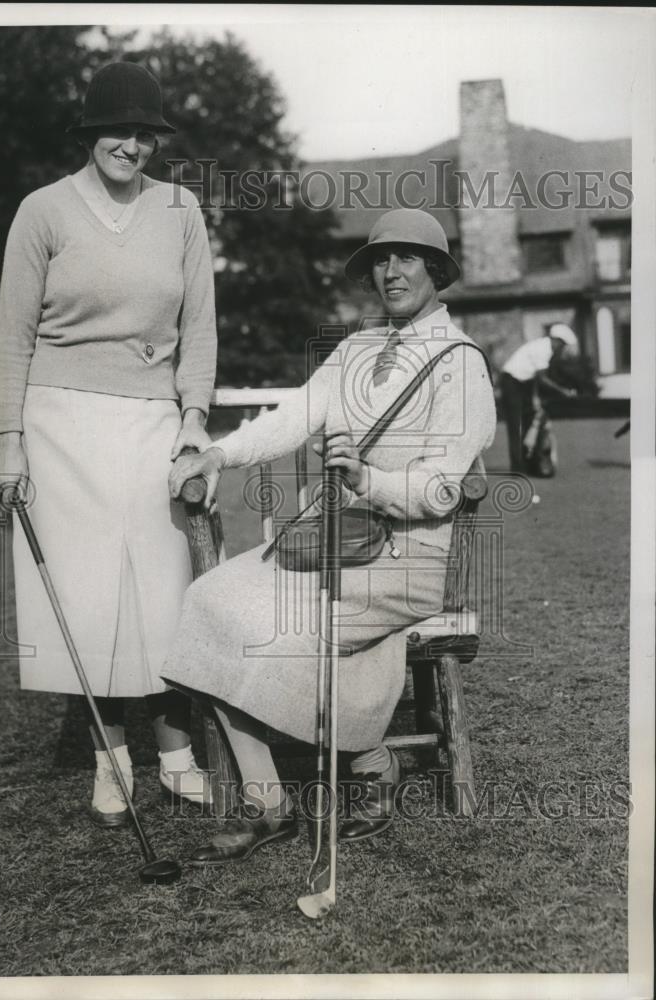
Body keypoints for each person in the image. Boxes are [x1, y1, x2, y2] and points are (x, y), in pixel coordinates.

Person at [166, 208, 496, 864]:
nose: (391, 271)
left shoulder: (462, 364)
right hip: (331, 539)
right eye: (379, 259)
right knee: (210, 602)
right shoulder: (356, 350)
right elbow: (291, 419)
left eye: (406, 258)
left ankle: (372, 767)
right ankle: (271, 804)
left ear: (436, 270)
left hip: (410, 557)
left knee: (277, 623)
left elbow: (440, 488)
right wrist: (219, 457)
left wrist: (366, 478)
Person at [0, 61, 217, 826]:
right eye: (118, 131)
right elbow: (13, 339)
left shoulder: (181, 210)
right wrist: (9, 439)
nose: (133, 145)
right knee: (88, 599)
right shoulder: (42, 211)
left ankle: (177, 754)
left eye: (146, 133)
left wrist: (193, 418)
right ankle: (110, 761)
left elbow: (200, 329)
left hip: (152, 415)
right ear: (89, 135)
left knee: (165, 588)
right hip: (60, 424)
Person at [499, 324, 578, 473]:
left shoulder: (543, 347)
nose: (561, 349)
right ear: (556, 340)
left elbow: (534, 379)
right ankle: (517, 468)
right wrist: (563, 392)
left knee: (530, 421)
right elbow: (542, 379)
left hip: (523, 383)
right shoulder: (543, 349)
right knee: (516, 425)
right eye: (562, 345)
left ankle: (531, 463)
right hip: (511, 383)